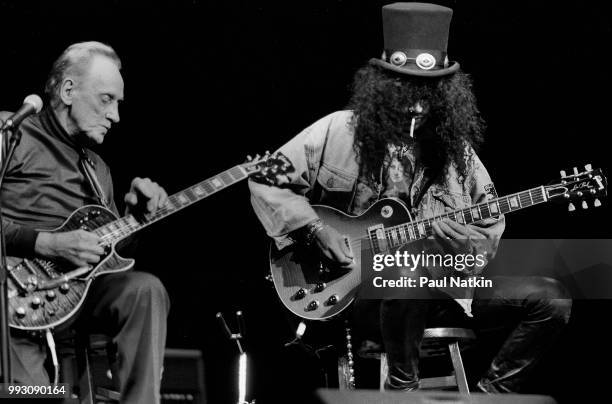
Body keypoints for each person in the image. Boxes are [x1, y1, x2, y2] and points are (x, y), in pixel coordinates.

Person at [249, 3, 571, 393]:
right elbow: (266, 178)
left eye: (427, 87)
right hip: (359, 294)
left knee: (551, 299)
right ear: (381, 84)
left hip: (446, 289)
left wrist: (468, 246)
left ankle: (491, 397)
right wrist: (316, 228)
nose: (415, 98)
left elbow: (487, 231)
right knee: (405, 274)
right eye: (403, 84)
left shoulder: (460, 154)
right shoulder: (337, 131)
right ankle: (404, 392)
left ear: (445, 93)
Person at [1, 41, 169, 403]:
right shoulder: (10, 133)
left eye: (118, 104)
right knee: (32, 397)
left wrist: (134, 219)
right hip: (12, 293)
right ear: (67, 90)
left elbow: (109, 256)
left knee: (144, 289)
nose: (116, 116)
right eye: (107, 99)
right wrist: (45, 243)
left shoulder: (97, 169)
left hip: (77, 297)